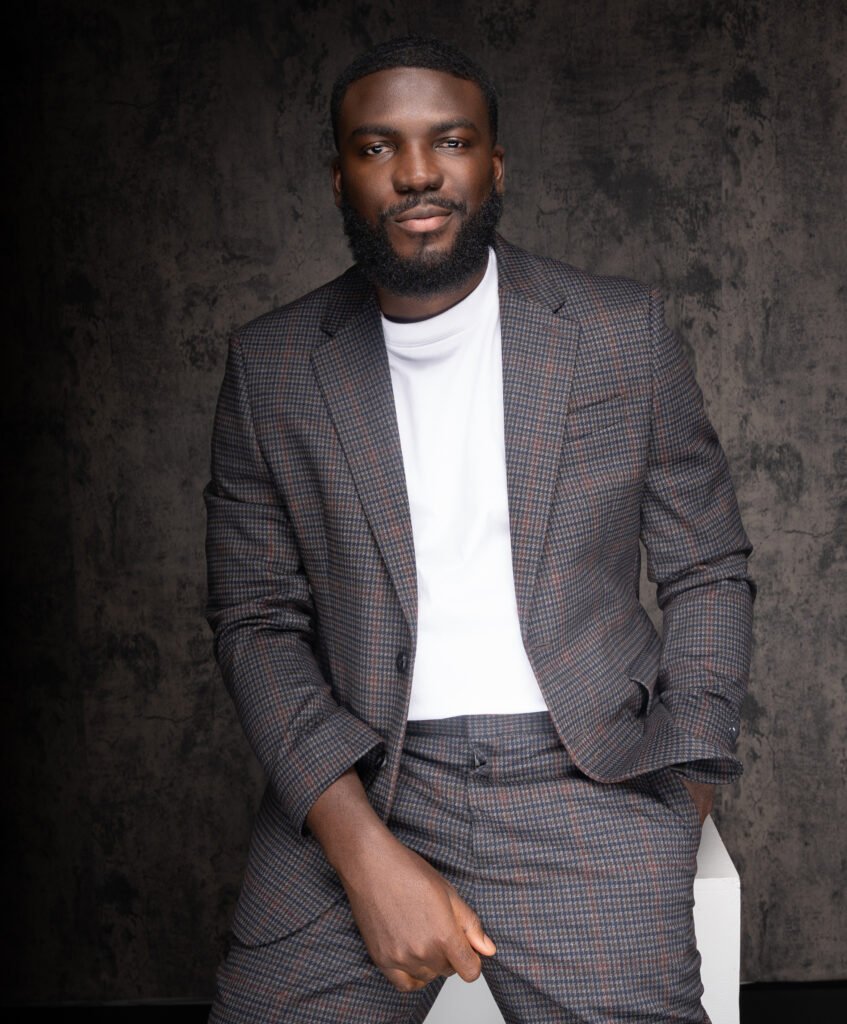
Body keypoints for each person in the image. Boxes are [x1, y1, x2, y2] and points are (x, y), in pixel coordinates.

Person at [204, 36, 754, 1024]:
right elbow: (255, 619)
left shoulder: (617, 333)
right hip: (361, 777)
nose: (416, 172)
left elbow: (707, 567)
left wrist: (691, 774)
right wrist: (356, 846)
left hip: (584, 779)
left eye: (449, 141)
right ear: (338, 178)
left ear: (494, 165)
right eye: (377, 147)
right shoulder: (272, 367)